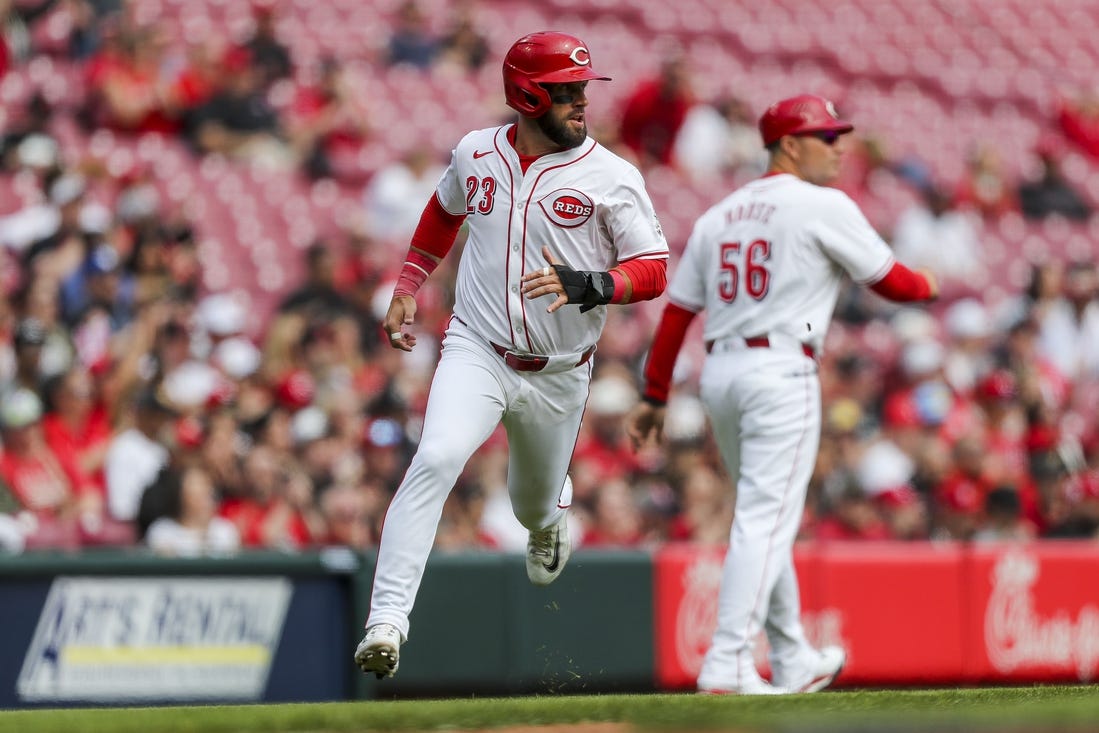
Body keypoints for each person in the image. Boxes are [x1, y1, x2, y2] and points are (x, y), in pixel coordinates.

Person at [354, 31, 669, 679]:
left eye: (581, 88)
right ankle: (386, 620)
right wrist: (408, 285)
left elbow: (654, 269)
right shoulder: (475, 152)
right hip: (478, 348)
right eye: (565, 91)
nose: (581, 101)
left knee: (529, 505)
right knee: (437, 455)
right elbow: (443, 212)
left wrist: (592, 284)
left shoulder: (612, 176)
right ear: (527, 94)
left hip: (559, 373)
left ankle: (548, 516)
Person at [626, 94, 939, 695]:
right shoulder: (821, 204)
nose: (839, 146)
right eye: (826, 136)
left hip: (722, 374)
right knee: (764, 520)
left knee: (763, 517)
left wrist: (656, 394)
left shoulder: (721, 213)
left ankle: (792, 655)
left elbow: (677, 315)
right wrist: (931, 281)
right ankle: (727, 660)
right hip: (779, 372)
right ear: (789, 144)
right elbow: (896, 285)